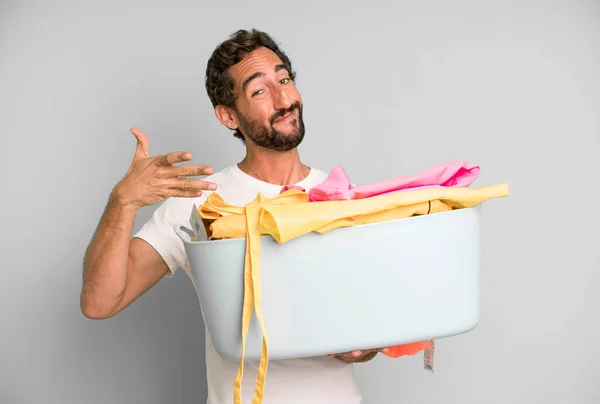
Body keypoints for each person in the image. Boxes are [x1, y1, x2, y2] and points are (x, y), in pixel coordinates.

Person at [80, 29, 382, 404]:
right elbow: (100, 302)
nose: (284, 98)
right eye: (259, 91)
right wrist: (122, 202)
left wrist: (362, 346)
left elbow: (367, 332)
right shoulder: (198, 202)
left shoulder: (345, 198)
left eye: (284, 79)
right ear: (228, 116)